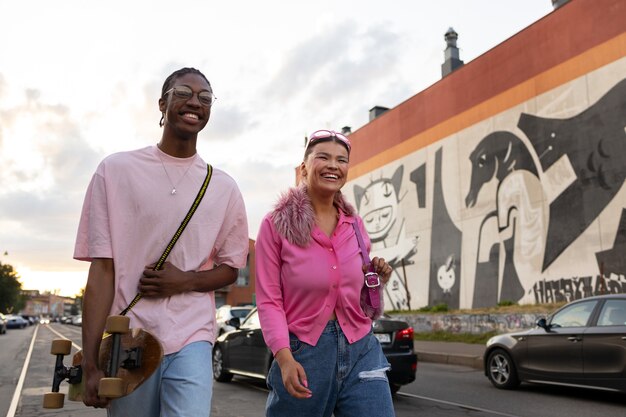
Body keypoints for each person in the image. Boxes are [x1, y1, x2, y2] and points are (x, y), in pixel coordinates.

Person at [74, 67, 249, 417]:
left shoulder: (224, 187)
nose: (194, 102)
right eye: (183, 92)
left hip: (192, 335)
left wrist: (185, 280)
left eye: (205, 98)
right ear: (162, 103)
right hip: (129, 336)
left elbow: (231, 268)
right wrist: (91, 362)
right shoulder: (115, 170)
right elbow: (102, 270)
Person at [255, 129, 395, 417]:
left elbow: (356, 291)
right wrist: (284, 359)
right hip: (304, 353)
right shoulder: (275, 225)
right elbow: (269, 300)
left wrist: (377, 279)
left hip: (361, 348)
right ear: (304, 167)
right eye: (323, 157)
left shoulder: (355, 225)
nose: (334, 165)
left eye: (341, 160)